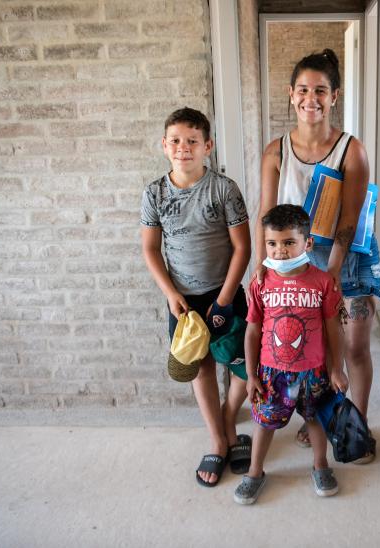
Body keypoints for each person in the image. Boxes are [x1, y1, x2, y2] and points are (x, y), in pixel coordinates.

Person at [254, 49, 380, 461]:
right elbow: (266, 212)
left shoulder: (352, 150)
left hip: (344, 258)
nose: (310, 98)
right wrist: (262, 267)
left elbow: (349, 218)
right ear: (291, 94)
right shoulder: (276, 150)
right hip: (294, 261)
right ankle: (320, 416)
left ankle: (355, 427)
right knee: (315, 350)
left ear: (334, 97)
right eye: (303, 90)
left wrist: (332, 271)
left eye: (320, 90)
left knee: (354, 348)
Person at [140, 107, 252, 487]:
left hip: (226, 292)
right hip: (183, 301)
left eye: (192, 141)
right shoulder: (154, 192)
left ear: (208, 146)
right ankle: (221, 439)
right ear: (164, 145)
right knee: (201, 366)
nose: (183, 148)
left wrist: (223, 299)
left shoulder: (224, 189)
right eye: (175, 141)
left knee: (241, 366)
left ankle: (228, 414)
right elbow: (151, 251)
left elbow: (243, 249)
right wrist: (170, 294)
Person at [234, 204, 348, 505]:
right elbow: (253, 331)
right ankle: (255, 472)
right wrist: (251, 374)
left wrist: (337, 369)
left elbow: (334, 329)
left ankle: (321, 465)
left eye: (288, 242)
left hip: (315, 371)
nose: (280, 251)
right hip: (272, 373)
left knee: (315, 420)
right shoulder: (261, 283)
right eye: (272, 243)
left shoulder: (323, 283)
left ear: (306, 243)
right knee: (264, 422)